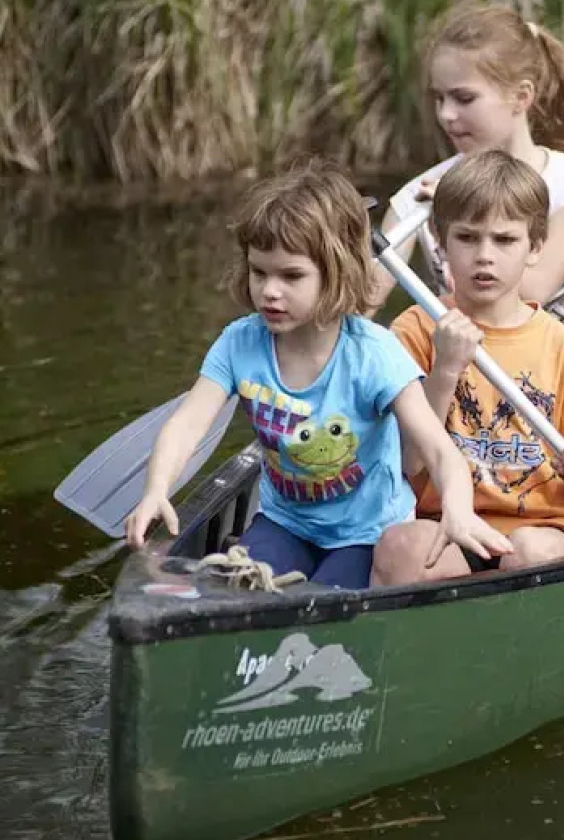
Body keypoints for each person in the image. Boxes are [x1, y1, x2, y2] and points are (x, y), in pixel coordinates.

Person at [123, 160, 495, 588]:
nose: (269, 291)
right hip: (286, 522)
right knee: (241, 586)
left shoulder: (374, 354)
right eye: (259, 272)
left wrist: (458, 509)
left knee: (322, 603)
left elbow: (439, 451)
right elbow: (188, 423)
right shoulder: (240, 342)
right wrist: (156, 490)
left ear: (336, 274)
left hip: (365, 534)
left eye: (291, 276)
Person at [376, 4, 564, 456]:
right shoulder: (418, 196)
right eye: (438, 98)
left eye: (463, 98)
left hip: (555, 374)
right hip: (463, 369)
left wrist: (462, 203)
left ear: (521, 97)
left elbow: (531, 287)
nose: (446, 114)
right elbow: (362, 298)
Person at [371, 153, 564, 584]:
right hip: (446, 522)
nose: (485, 256)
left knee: (526, 552)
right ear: (440, 242)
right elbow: (407, 462)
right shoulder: (413, 330)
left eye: (504, 240)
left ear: (535, 247)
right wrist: (445, 368)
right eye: (467, 238)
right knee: (399, 547)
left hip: (545, 528)